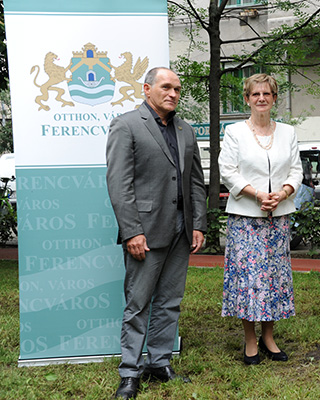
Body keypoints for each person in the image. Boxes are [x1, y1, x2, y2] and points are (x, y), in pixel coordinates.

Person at [106, 67, 207, 399]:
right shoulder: (127, 125)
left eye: (177, 89)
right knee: (138, 303)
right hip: (145, 233)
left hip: (181, 230)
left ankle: (159, 363)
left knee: (170, 301)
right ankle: (130, 372)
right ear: (147, 89)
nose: (173, 93)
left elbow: (195, 182)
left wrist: (198, 224)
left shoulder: (185, 129)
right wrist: (132, 231)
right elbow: (119, 185)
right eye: (166, 87)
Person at [218, 73, 303, 365]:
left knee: (273, 279)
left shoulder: (288, 133)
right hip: (245, 217)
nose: (261, 99)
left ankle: (269, 337)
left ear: (275, 98)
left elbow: (296, 170)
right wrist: (257, 194)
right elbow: (227, 170)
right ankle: (250, 340)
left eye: (267, 94)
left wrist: (282, 193)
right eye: (255, 94)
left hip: (277, 217)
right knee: (248, 280)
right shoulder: (234, 132)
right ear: (247, 99)